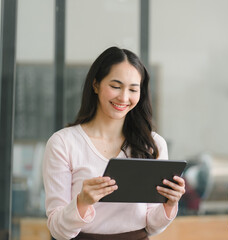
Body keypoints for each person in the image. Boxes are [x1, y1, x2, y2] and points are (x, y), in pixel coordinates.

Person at [42, 46, 186, 240]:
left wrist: (169, 203)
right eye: (116, 86)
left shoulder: (153, 144)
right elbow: (58, 231)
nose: (124, 97)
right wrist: (82, 203)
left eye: (133, 89)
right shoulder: (63, 143)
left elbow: (152, 226)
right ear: (95, 85)